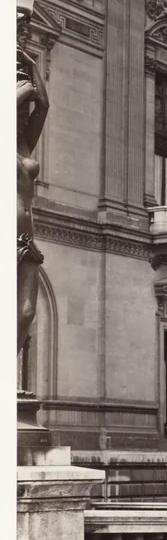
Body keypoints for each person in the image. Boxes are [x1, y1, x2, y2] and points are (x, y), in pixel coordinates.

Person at [17, 42, 49, 358]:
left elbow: (44, 107)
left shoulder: (25, 142)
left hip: (28, 239)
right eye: (20, 110)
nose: (25, 115)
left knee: (26, 313)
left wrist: (34, 66)